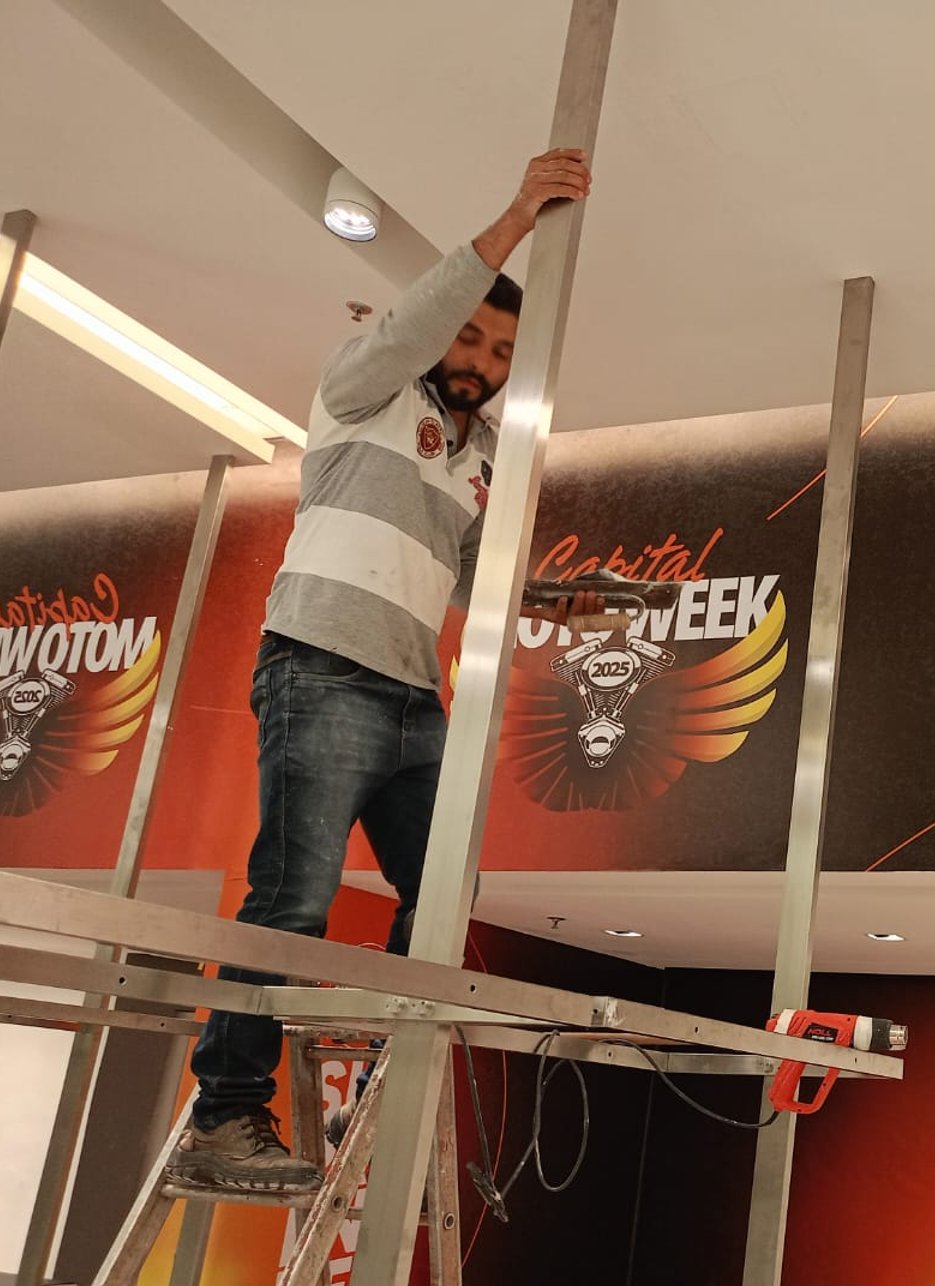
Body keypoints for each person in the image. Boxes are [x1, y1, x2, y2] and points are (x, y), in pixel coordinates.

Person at [169, 149, 596, 1192]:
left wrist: (553, 600)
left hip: (414, 696)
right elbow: (407, 323)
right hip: (320, 667)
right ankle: (223, 1117)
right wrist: (514, 216)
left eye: (502, 350)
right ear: (434, 331)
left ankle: (371, 1057)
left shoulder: (473, 455)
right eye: (471, 334)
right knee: (296, 894)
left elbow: (464, 577)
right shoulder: (360, 388)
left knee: (444, 890)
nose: (483, 358)